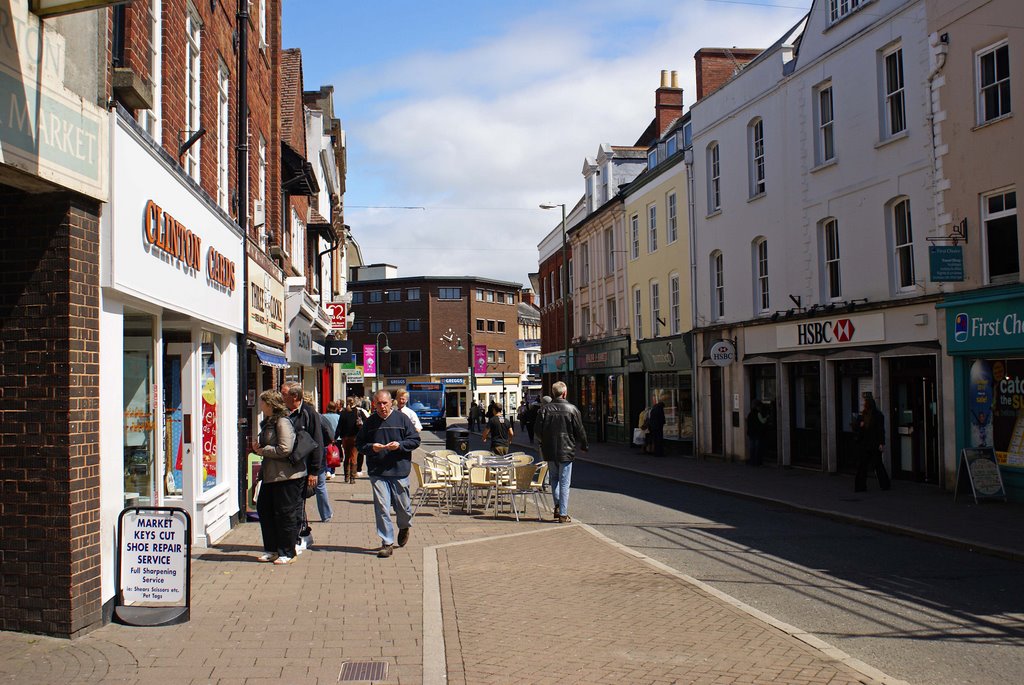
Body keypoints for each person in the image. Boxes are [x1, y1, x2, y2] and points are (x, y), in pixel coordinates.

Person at [356, 389, 421, 558]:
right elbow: (360, 444)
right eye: (379, 403)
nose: (382, 407)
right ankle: (387, 542)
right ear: (374, 404)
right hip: (378, 472)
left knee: (403, 508)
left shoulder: (402, 419)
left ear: (391, 402)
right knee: (382, 507)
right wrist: (372, 448)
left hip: (399, 470)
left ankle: (404, 526)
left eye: (385, 403)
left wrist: (399, 445)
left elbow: (415, 440)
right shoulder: (370, 423)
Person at [252, 390, 300, 565]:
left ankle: (287, 551)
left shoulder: (282, 421)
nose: (261, 406)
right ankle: (271, 549)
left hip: (285, 476)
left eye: (263, 402)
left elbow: (285, 448)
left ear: (270, 404)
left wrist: (262, 450)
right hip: (271, 475)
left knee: (284, 513)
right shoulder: (268, 422)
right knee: (265, 510)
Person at [536, 381, 587, 523]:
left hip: (550, 450)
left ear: (554, 393)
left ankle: (558, 506)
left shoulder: (544, 410)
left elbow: (537, 431)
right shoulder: (572, 409)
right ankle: (563, 514)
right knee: (564, 482)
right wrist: (584, 445)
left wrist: (544, 441)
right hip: (566, 450)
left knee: (554, 479)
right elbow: (580, 430)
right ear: (564, 393)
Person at [281, 382, 325, 532]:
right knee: (290, 502)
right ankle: (299, 530)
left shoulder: (308, 413)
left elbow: (317, 442)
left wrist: (314, 471)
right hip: (285, 467)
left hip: (304, 466)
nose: (281, 396)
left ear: (294, 396)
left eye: (284, 393)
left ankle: (299, 533)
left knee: (299, 501)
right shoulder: (282, 412)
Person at [854, 396, 890, 492]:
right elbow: (857, 428)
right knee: (868, 465)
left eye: (865, 404)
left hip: (871, 444)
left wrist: (881, 443)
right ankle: (862, 486)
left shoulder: (875, 416)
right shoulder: (865, 416)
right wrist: (860, 426)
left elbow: (880, 431)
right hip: (868, 444)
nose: (864, 406)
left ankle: (862, 486)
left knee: (872, 465)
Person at [336, 397, 362, 483]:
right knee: (354, 457)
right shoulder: (357, 412)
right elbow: (364, 423)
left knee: (347, 457)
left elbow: (339, 427)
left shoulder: (343, 413)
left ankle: (346, 477)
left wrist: (335, 437)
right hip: (355, 437)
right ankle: (352, 478)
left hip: (345, 438)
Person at [746, 400, 771, 467]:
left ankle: (752, 461)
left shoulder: (750, 414)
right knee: (757, 447)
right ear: (758, 407)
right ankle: (757, 462)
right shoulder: (758, 413)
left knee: (752, 447)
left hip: (751, 433)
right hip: (757, 433)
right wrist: (767, 417)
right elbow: (762, 421)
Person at [322, 400, 342, 480]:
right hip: (337, 438)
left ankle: (327, 470)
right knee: (334, 454)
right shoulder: (338, 417)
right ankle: (333, 471)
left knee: (327, 455)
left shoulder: (323, 416)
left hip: (326, 438)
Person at [647, 393, 669, 457]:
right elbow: (661, 418)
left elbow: (651, 418)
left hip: (653, 427)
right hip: (658, 427)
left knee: (655, 440)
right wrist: (663, 423)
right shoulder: (660, 409)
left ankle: (656, 452)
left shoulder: (654, 409)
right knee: (659, 440)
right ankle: (659, 453)